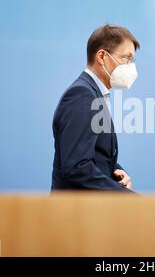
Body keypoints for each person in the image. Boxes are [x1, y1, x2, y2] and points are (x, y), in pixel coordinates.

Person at [51, 24, 140, 192]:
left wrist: (116, 172)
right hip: (74, 215)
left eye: (132, 60)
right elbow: (77, 167)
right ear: (101, 56)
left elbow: (94, 156)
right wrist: (126, 196)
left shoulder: (95, 94)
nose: (131, 66)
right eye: (126, 58)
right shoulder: (81, 95)